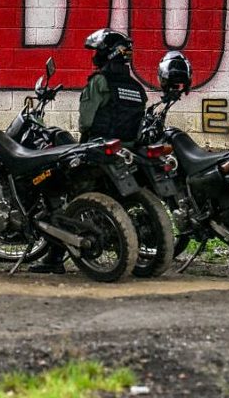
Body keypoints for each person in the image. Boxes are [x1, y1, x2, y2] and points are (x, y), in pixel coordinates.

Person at [29, 28, 147, 274]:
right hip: (127, 154)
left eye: (97, 51)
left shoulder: (100, 82)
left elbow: (86, 122)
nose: (95, 56)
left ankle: (54, 258)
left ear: (107, 53)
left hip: (97, 154)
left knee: (62, 197)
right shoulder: (137, 88)